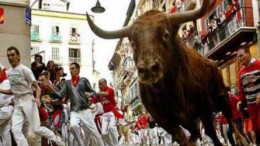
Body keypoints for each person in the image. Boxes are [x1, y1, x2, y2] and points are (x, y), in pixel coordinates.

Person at [0, 46, 64, 146]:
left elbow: (37, 87)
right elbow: (13, 91)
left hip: (28, 101)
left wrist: (37, 98)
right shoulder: (9, 73)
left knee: (36, 129)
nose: (10, 57)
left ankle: (57, 139)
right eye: (8, 55)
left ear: (18, 56)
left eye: (12, 55)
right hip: (17, 103)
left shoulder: (25, 70)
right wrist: (1, 90)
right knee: (15, 130)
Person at [51, 62, 104, 146]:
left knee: (95, 132)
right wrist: (51, 88)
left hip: (85, 110)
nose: (71, 70)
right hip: (74, 111)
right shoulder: (67, 83)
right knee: (73, 126)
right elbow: (60, 95)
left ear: (78, 69)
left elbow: (94, 93)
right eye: (70, 69)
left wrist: (89, 95)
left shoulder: (84, 80)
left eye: (73, 68)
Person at [237, 46, 260, 144]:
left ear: (248, 53)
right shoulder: (241, 72)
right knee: (255, 128)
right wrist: (240, 101)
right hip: (251, 105)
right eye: (238, 57)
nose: (239, 59)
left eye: (241, 55)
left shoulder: (258, 65)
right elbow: (241, 89)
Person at [97, 78, 120, 146]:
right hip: (105, 115)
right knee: (103, 133)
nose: (100, 86)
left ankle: (116, 144)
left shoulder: (110, 90)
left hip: (112, 113)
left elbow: (106, 94)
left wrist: (97, 93)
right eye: (99, 84)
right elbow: (93, 100)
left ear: (105, 83)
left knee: (111, 128)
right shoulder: (100, 95)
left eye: (101, 84)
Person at [0, 63, 14, 146]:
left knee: (5, 132)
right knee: (5, 133)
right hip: (6, 110)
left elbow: (1, 101)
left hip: (6, 110)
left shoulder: (6, 82)